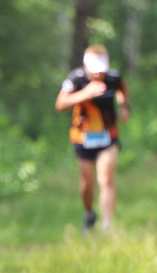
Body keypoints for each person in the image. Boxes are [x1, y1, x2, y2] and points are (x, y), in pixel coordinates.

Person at [55, 44, 131, 234]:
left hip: (108, 137)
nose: (98, 75)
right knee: (87, 184)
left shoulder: (113, 78)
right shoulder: (76, 79)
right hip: (83, 138)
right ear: (86, 66)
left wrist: (124, 107)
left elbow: (123, 90)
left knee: (105, 179)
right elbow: (60, 104)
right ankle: (89, 215)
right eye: (94, 71)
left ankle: (107, 226)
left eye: (101, 71)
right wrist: (85, 94)